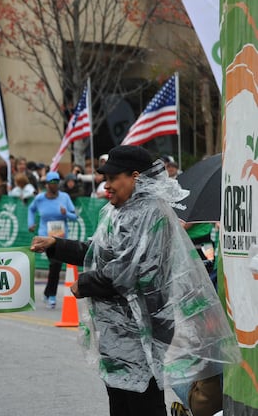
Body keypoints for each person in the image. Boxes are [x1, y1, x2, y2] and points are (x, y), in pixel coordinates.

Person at [29, 146, 239, 416]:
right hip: (115, 333)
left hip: (143, 331)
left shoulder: (152, 214)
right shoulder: (118, 213)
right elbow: (96, 253)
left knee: (142, 403)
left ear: (136, 177)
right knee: (120, 403)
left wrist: (86, 284)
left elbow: (132, 271)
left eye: (113, 178)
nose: (106, 185)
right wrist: (55, 245)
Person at [27, 171, 77, 309]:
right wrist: (30, 224)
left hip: (60, 238)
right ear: (47, 184)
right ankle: (52, 296)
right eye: (52, 183)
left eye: (57, 182)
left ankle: (48, 292)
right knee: (55, 264)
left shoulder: (65, 197)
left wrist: (65, 213)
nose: (55, 185)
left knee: (55, 265)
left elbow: (74, 216)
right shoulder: (40, 199)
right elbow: (31, 210)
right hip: (45, 237)